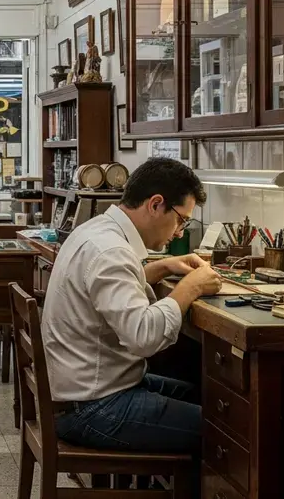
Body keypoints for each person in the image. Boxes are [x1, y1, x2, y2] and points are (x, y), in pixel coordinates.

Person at [42, 157, 222, 460]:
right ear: (155, 204)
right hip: (93, 407)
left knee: (204, 395)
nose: (179, 232)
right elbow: (144, 338)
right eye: (180, 220)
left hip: (84, 390)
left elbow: (100, 292)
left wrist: (160, 268)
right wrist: (189, 288)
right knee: (231, 431)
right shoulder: (112, 252)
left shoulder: (97, 231)